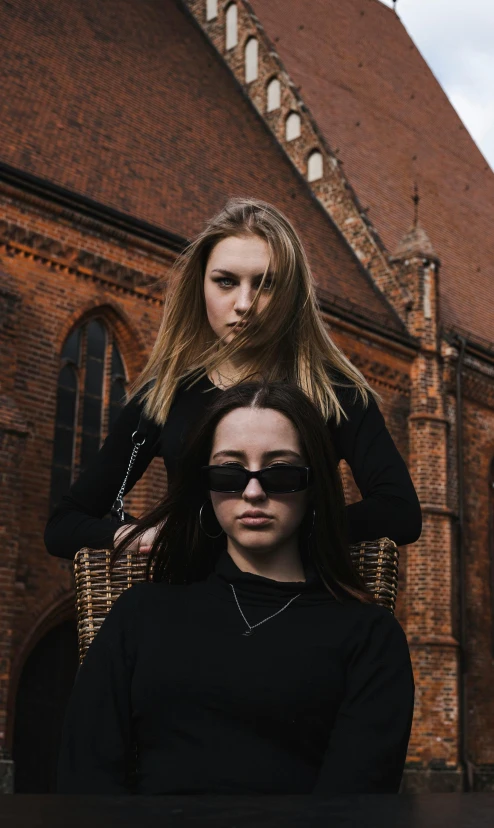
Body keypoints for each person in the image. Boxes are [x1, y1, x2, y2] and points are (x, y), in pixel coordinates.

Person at [57, 382, 415, 795]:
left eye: (280, 473)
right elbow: (84, 782)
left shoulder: (371, 638)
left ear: (314, 485)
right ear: (206, 485)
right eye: (229, 473)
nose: (252, 492)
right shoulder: (140, 614)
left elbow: (351, 807)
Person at [44, 197, 421, 561]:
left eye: (266, 284)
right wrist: (134, 535)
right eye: (225, 282)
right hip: (191, 604)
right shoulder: (164, 396)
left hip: (302, 603)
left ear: (292, 294)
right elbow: (65, 523)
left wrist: (287, 533)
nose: (244, 303)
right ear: (201, 286)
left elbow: (400, 512)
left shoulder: (334, 393)